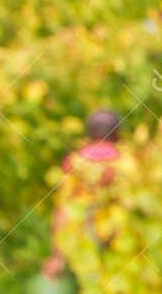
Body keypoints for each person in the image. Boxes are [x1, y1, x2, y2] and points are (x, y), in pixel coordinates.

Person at [43, 108, 122, 280]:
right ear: (117, 133)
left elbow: (63, 209)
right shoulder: (123, 160)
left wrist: (57, 254)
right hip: (116, 240)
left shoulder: (74, 161)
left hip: (81, 240)